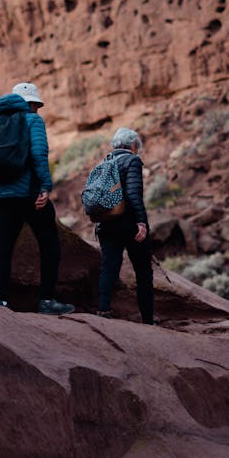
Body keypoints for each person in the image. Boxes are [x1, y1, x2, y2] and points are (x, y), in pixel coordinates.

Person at [0, 82, 74, 315]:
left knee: (2, 247)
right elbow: (38, 153)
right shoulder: (33, 121)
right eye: (36, 105)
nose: (37, 109)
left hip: (1, 195)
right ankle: (46, 300)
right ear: (31, 104)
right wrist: (45, 186)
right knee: (49, 242)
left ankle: (1, 301)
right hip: (28, 194)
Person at [95, 127, 155, 324]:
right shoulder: (133, 160)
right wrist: (141, 222)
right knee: (143, 271)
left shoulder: (106, 161)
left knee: (109, 267)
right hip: (128, 224)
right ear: (133, 145)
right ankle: (147, 319)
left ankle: (103, 310)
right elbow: (133, 194)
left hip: (106, 224)